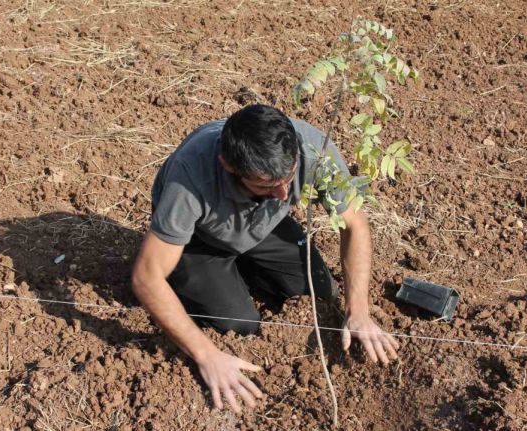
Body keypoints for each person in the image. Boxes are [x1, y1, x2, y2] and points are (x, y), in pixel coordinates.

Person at [131, 104, 399, 413]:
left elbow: (355, 224)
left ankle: (245, 263)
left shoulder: (313, 148)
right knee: (238, 324)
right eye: (267, 185)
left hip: (263, 223)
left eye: (289, 177)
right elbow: (146, 277)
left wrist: (360, 310)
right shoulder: (191, 175)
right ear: (228, 166)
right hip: (198, 240)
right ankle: (202, 281)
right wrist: (207, 356)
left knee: (321, 296)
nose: (285, 194)